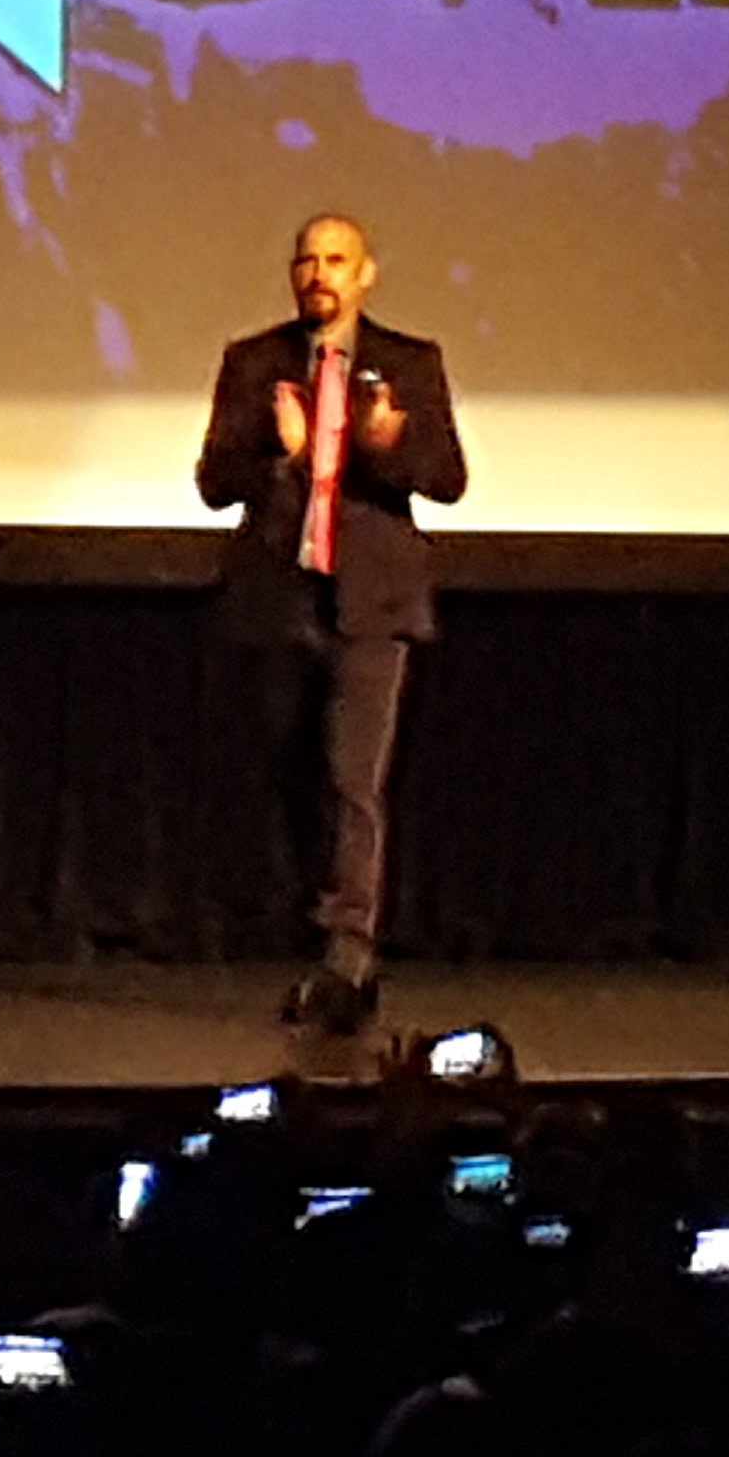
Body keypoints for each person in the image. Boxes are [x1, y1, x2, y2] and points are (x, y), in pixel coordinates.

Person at [196, 213, 468, 1037]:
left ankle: (348, 956)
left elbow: (447, 479)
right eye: (308, 261)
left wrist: (385, 446)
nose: (320, 274)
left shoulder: (410, 363)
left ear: (364, 274)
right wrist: (279, 455)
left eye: (336, 261)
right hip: (280, 599)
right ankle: (323, 942)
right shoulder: (254, 361)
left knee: (355, 782)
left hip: (372, 605)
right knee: (293, 781)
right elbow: (213, 482)